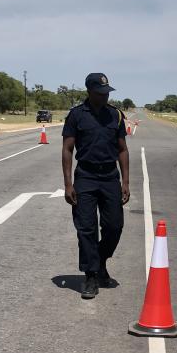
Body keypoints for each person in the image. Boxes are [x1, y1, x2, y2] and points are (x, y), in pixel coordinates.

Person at [62, 73, 130, 299]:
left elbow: (122, 149)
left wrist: (125, 182)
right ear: (89, 92)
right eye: (100, 93)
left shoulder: (116, 116)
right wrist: (68, 183)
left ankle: (100, 261)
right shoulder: (76, 116)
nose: (104, 96)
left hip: (110, 176)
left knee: (115, 227)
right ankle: (91, 275)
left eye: (107, 92)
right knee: (86, 229)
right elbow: (68, 149)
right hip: (86, 177)